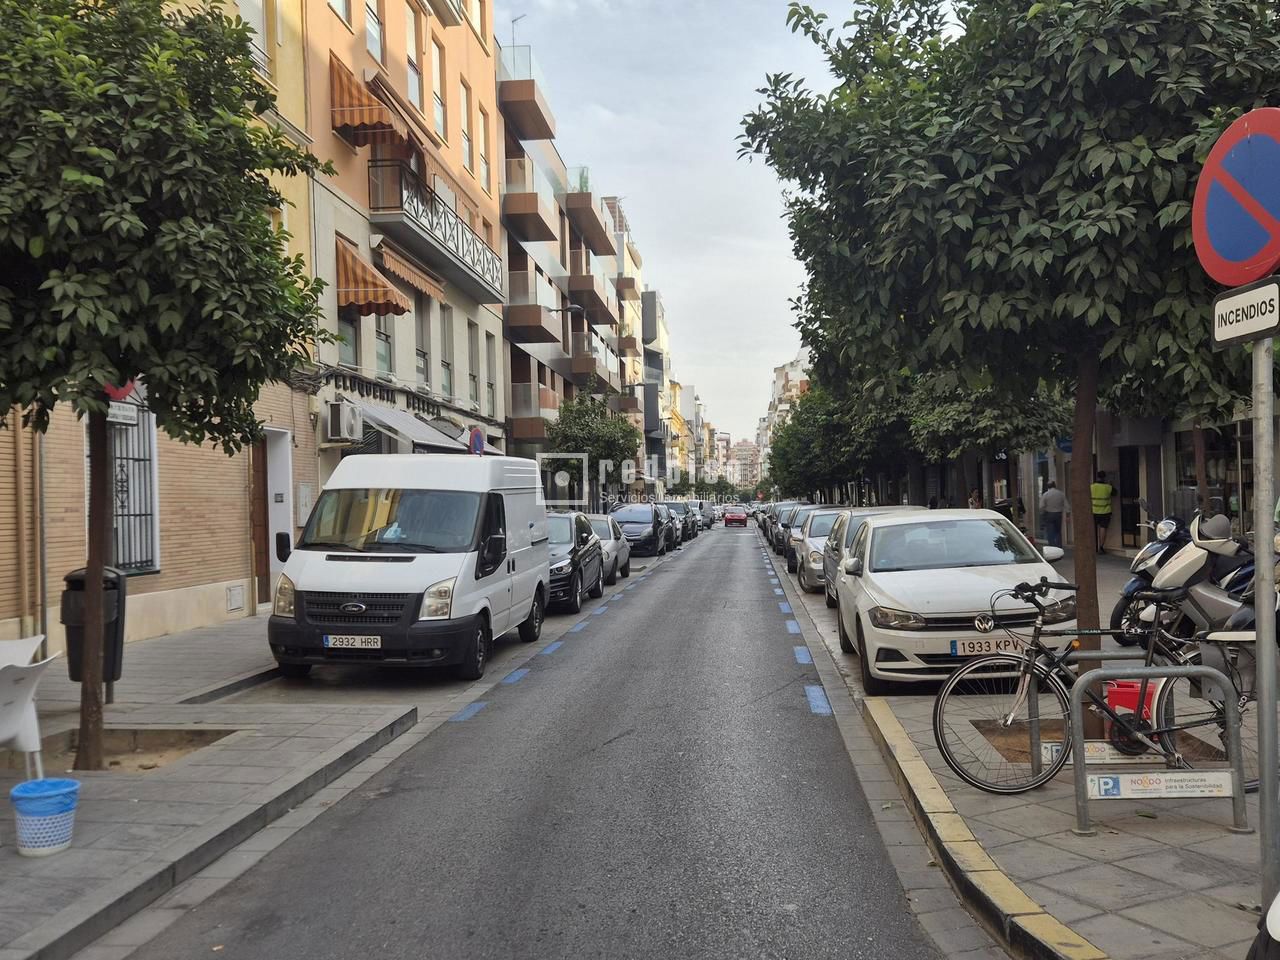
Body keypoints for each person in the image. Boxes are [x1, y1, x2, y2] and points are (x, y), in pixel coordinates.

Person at [1090, 470, 1117, 554]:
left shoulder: (1091, 487)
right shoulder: (1108, 487)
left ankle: (1092, 546)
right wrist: (1111, 484)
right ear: (1104, 477)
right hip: (1105, 512)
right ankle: (1101, 547)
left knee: (1093, 529)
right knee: (1103, 529)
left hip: (1094, 511)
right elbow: (1115, 493)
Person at [1039, 480, 1066, 548]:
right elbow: (1066, 505)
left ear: (1048, 486)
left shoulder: (1045, 494)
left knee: (1050, 532)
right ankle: (1059, 546)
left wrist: (1043, 513)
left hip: (1049, 514)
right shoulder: (1060, 494)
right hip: (1058, 514)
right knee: (1058, 531)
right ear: (1055, 486)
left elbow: (1041, 506)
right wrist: (1068, 515)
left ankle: (1052, 546)